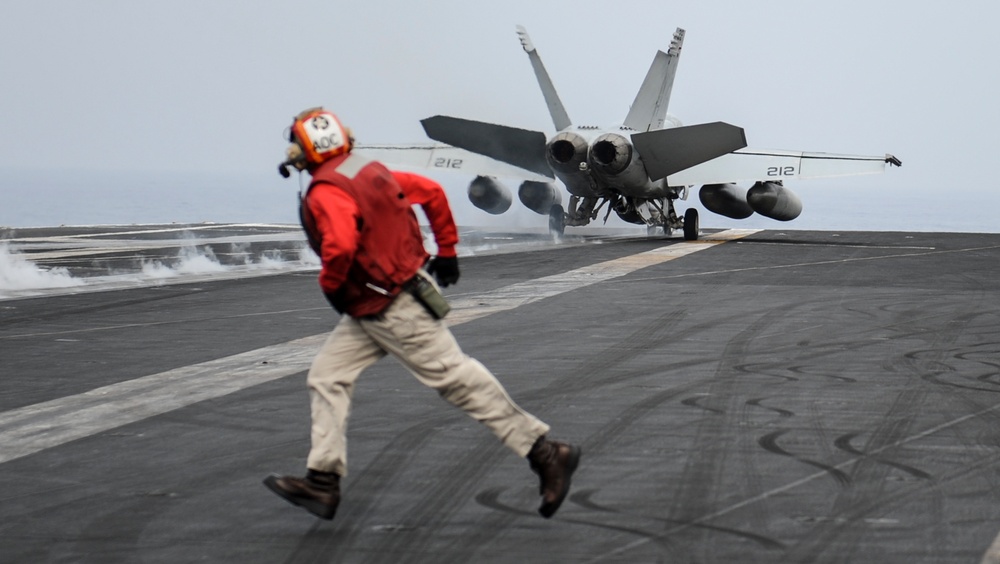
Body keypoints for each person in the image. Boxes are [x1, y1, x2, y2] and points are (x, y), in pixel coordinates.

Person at [264, 107, 581, 521]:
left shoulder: (327, 189)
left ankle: (545, 452)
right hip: (379, 301)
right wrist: (446, 251)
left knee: (456, 378)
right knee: (327, 376)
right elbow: (430, 192)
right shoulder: (367, 170)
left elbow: (339, 246)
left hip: (392, 306)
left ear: (307, 148)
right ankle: (322, 482)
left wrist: (331, 286)